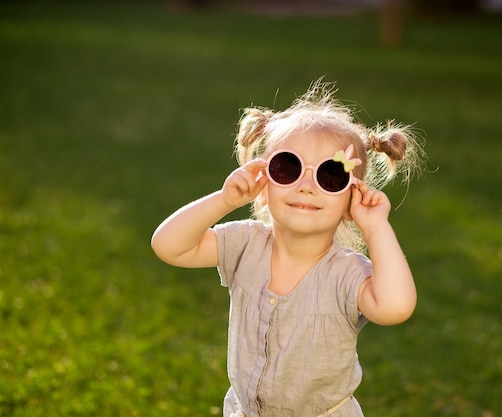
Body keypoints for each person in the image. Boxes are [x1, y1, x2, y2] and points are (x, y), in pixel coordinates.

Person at [151, 80, 427, 417]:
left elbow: (395, 307)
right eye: (288, 168)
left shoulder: (347, 273)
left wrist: (376, 227)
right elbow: (168, 246)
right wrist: (224, 201)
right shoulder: (245, 244)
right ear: (264, 183)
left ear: (351, 199)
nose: (307, 187)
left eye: (331, 175)